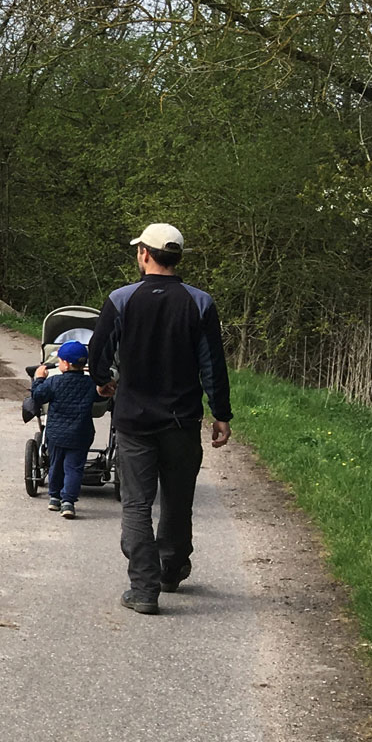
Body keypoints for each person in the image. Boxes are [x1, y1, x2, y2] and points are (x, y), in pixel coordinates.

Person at [86, 222, 233, 616]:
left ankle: (143, 588)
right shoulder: (200, 302)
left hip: (134, 420)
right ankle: (170, 569)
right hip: (182, 422)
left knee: (136, 504)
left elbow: (98, 353)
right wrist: (221, 414)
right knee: (177, 500)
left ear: (144, 255)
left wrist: (104, 383)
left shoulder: (121, 298)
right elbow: (212, 366)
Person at [27, 339, 98, 520]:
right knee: (74, 468)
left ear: (65, 364)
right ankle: (69, 502)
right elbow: (99, 395)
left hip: (57, 434)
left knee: (56, 464)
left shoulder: (55, 382)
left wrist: (39, 379)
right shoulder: (89, 384)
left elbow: (38, 396)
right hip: (81, 434)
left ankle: (54, 497)